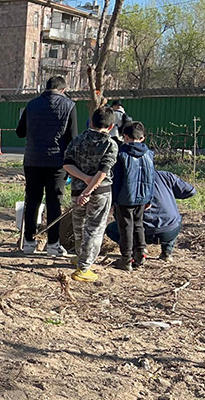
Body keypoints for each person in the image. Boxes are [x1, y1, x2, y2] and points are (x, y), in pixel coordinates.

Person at [15, 76, 77, 256]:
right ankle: (53, 244)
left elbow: (20, 132)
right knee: (54, 202)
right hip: (57, 163)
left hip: (33, 160)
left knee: (33, 200)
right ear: (63, 90)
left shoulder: (32, 105)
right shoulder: (69, 106)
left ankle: (28, 242)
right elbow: (72, 137)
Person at [63, 107, 118, 283]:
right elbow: (103, 172)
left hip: (78, 190)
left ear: (91, 122)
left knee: (79, 227)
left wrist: (84, 181)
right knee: (94, 229)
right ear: (111, 127)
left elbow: (67, 164)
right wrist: (89, 188)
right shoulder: (110, 144)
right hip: (99, 192)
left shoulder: (77, 140)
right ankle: (84, 267)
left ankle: (81, 257)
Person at [107, 169, 195, 262]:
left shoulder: (124, 181)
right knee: (174, 219)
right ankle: (167, 253)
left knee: (111, 229)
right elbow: (190, 191)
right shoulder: (165, 176)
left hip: (140, 233)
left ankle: (137, 250)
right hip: (169, 231)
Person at [110, 121, 154, 271]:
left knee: (126, 227)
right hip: (143, 196)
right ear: (142, 138)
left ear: (125, 137)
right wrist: (150, 197)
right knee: (139, 224)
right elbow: (152, 177)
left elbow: (116, 180)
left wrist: (113, 200)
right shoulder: (149, 154)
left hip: (125, 197)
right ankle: (141, 252)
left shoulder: (121, 155)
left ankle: (126, 258)